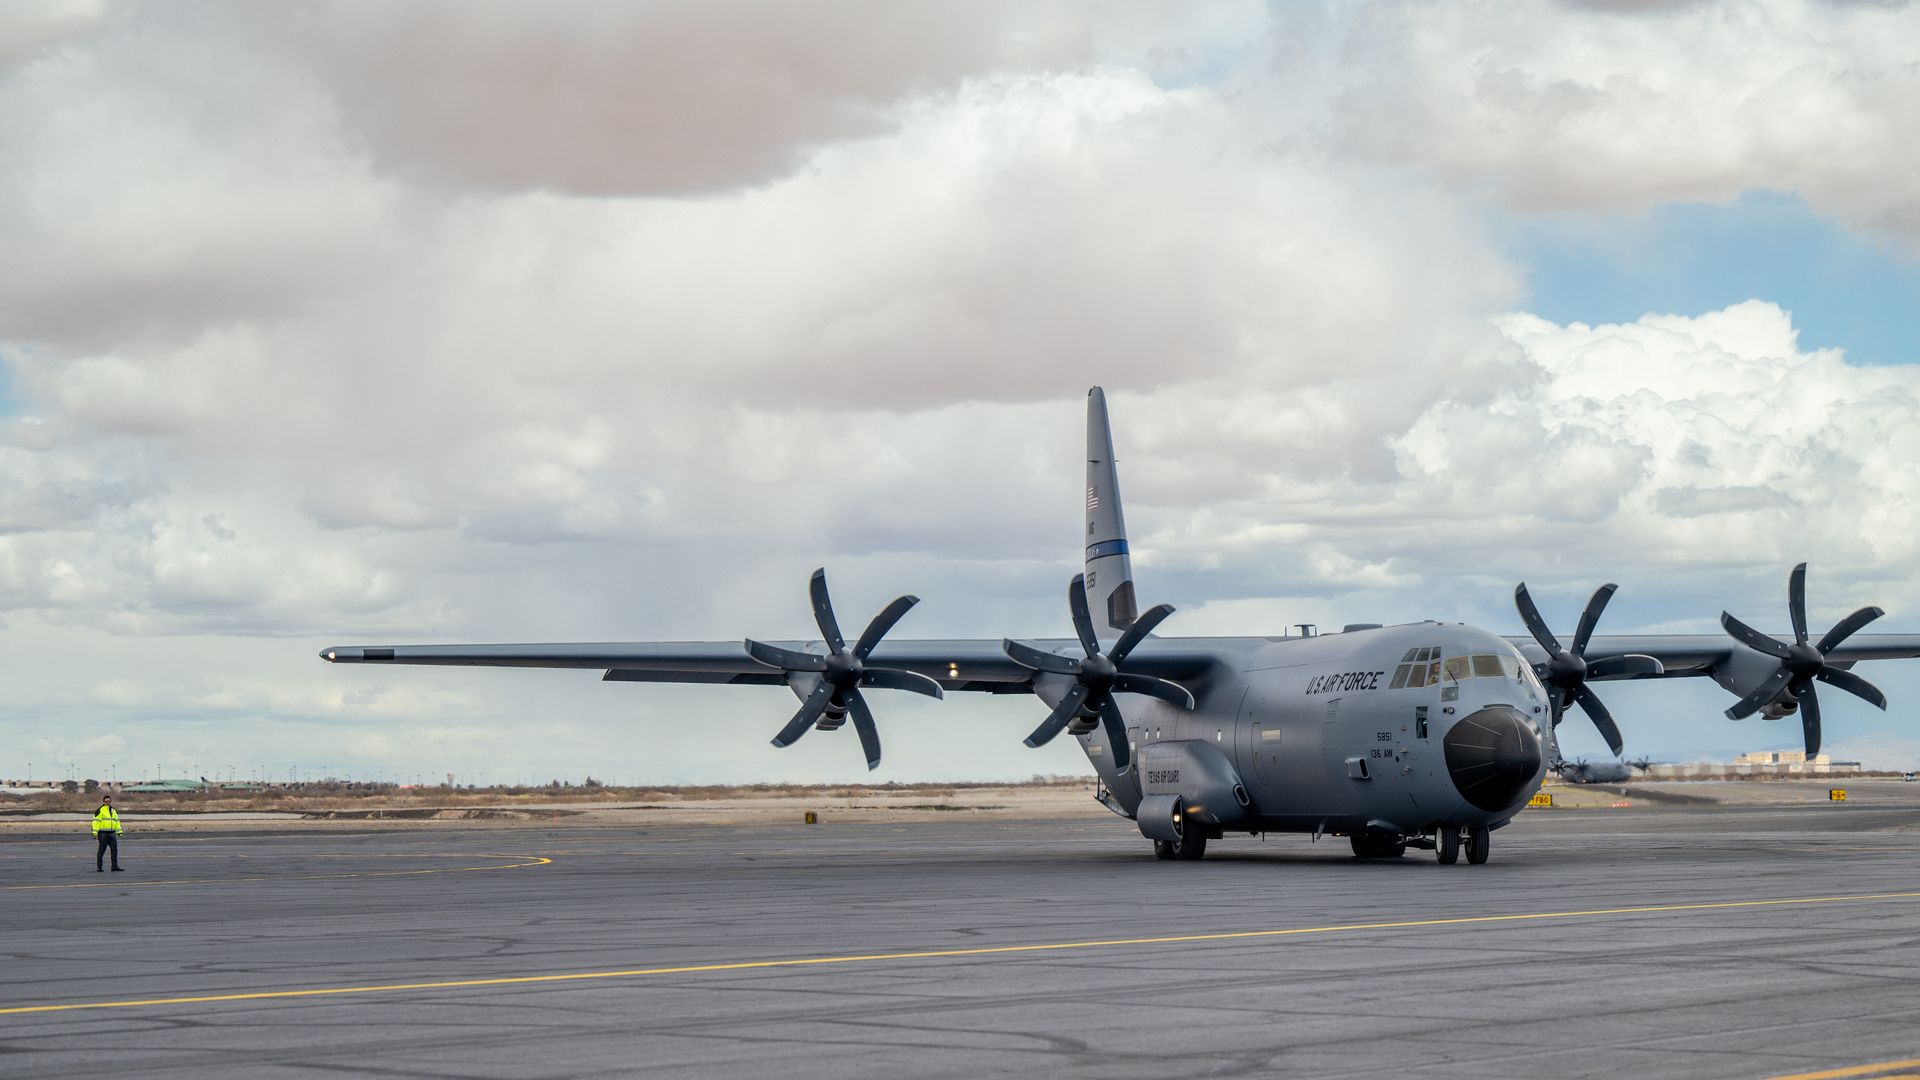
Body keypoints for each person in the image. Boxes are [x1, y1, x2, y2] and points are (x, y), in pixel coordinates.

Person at [92, 795, 124, 872]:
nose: (107, 802)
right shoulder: (99, 810)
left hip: (112, 834)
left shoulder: (113, 811)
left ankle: (114, 866)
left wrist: (119, 831)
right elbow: (96, 822)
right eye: (106, 801)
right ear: (103, 802)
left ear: (111, 801)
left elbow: (116, 821)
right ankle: (99, 867)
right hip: (103, 834)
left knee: (114, 850)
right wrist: (94, 832)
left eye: (109, 801)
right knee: (101, 850)